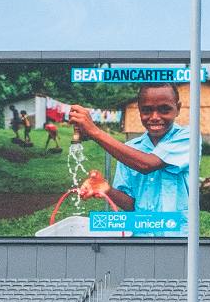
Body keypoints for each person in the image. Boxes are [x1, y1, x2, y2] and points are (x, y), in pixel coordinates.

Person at [69, 84, 190, 236]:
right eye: (146, 110)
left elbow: (147, 164)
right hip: (141, 237)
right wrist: (107, 189)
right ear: (139, 110)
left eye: (164, 109)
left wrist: (93, 131)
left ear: (177, 108)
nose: (154, 117)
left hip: (178, 238)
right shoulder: (129, 150)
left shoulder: (187, 137)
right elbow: (131, 205)